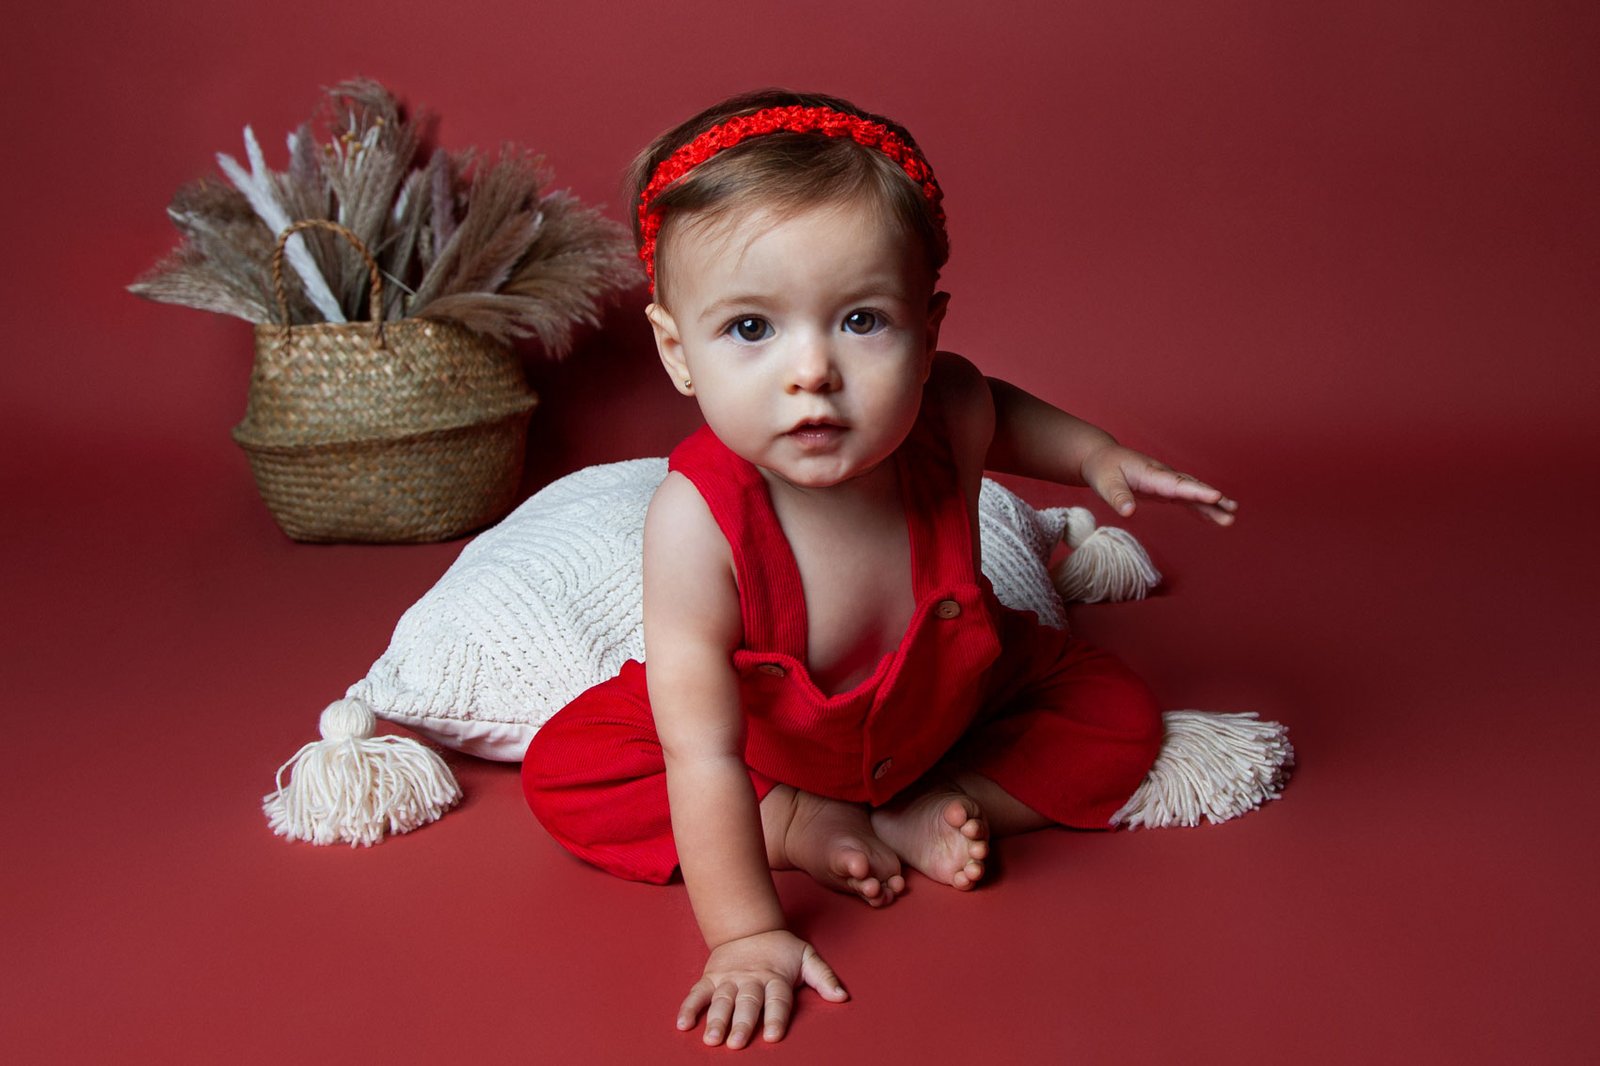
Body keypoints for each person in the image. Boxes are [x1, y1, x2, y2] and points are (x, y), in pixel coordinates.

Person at [522, 89, 1238, 1050]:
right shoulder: (696, 525)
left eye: (862, 320)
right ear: (675, 351)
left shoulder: (944, 415)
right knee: (571, 769)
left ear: (929, 327)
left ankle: (940, 810)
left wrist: (1096, 456)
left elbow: (1003, 408)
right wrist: (745, 933)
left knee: (1115, 713)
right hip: (772, 751)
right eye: (750, 329)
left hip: (948, 700)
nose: (811, 371)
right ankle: (802, 829)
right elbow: (700, 752)